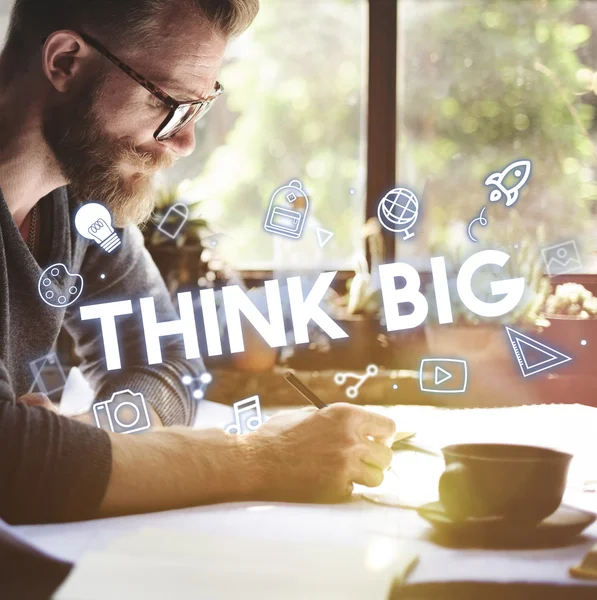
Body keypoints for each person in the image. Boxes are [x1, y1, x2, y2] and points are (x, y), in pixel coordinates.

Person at [0, 0, 396, 525]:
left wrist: (70, 448)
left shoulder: (81, 205)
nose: (184, 141)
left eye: (199, 108)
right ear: (66, 62)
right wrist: (265, 457)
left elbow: (168, 360)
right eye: (169, 102)